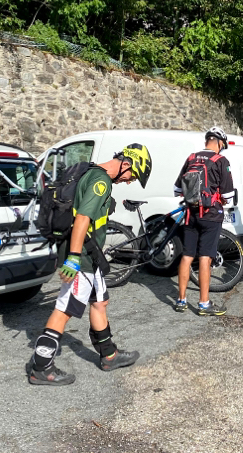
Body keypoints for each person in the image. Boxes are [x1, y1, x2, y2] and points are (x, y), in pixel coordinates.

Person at [27, 144, 153, 386]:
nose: (129, 181)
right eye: (132, 176)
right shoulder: (101, 181)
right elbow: (83, 218)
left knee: (100, 301)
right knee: (64, 309)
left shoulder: (92, 172)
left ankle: (109, 355)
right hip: (81, 256)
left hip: (91, 254)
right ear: (126, 164)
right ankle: (40, 367)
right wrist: (73, 257)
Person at [173, 127, 237, 316]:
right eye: (222, 146)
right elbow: (227, 194)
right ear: (219, 142)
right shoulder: (221, 161)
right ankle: (203, 304)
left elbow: (178, 190)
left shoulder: (191, 158)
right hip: (210, 215)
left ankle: (181, 300)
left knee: (187, 256)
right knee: (205, 257)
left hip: (190, 214)